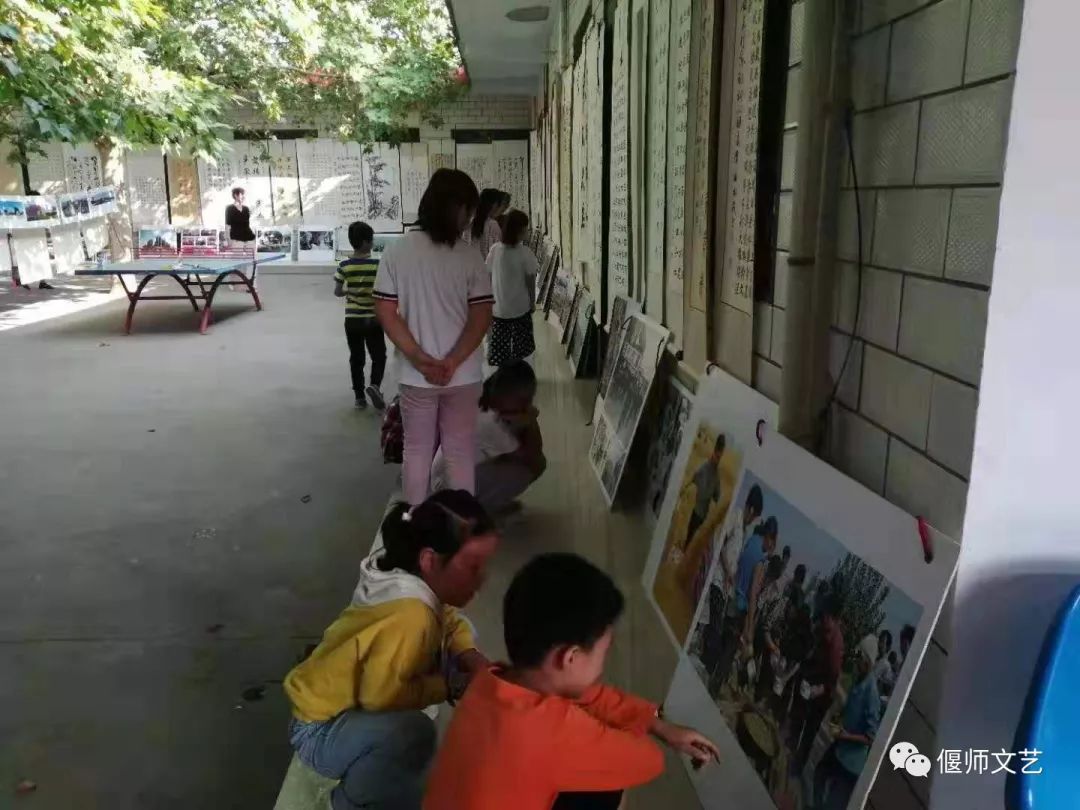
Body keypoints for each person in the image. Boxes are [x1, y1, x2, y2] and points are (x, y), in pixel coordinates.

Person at [424, 553, 720, 810]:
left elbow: (586, 695)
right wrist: (607, 730)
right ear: (571, 657)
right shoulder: (553, 732)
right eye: (603, 652)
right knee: (610, 788)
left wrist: (656, 723)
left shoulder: (491, 681)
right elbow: (648, 760)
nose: (602, 665)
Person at [284, 490, 498, 810]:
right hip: (319, 731)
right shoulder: (410, 617)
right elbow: (381, 697)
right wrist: (449, 686)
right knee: (411, 732)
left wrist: (469, 654)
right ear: (429, 560)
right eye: (472, 566)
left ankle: (383, 779)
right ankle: (348, 803)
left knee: (458, 638)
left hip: (339, 710)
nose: (481, 580)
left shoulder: (410, 578)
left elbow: (450, 618)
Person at [374, 169, 494, 505]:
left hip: (416, 377)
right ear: (455, 207)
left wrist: (419, 358)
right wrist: (453, 361)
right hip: (463, 375)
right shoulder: (469, 255)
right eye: (468, 210)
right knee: (459, 451)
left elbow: (385, 310)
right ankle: (461, 525)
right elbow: (481, 314)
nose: (470, 219)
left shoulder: (397, 251)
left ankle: (415, 521)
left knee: (417, 450)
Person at [432, 361, 545, 513]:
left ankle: (482, 502)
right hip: (446, 491)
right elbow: (534, 459)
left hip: (442, 479)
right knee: (527, 470)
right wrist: (531, 420)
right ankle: (476, 510)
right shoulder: (492, 421)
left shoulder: (485, 398)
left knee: (508, 459)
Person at [812, 634, 881, 810]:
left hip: (851, 763)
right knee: (819, 774)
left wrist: (847, 736)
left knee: (835, 803)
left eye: (860, 657)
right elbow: (848, 705)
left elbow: (871, 737)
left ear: (868, 662)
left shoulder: (872, 693)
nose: (856, 661)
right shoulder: (858, 680)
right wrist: (836, 719)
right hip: (840, 747)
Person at [711, 516, 779, 695]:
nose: (772, 546)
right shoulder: (761, 562)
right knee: (729, 650)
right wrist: (749, 628)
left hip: (731, 598)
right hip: (741, 607)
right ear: (770, 538)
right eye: (773, 542)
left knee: (723, 640)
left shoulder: (751, 541)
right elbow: (753, 595)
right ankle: (714, 687)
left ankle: (710, 674)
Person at [789, 593, 846, 774]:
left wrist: (820, 689)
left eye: (828, 617)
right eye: (824, 615)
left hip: (823, 695)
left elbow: (832, 680)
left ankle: (797, 767)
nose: (824, 619)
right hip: (812, 681)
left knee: (810, 731)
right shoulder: (821, 629)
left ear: (835, 619)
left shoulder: (836, 645)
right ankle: (788, 749)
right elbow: (812, 652)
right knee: (798, 716)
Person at [334, 221, 386, 410]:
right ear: (365, 242)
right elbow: (384, 290)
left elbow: (337, 292)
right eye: (371, 239)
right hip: (373, 318)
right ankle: (375, 386)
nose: (373, 242)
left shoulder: (344, 265)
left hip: (352, 320)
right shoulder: (378, 265)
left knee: (357, 358)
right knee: (379, 356)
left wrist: (350, 291)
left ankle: (359, 397)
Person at [487, 209, 539, 366]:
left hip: (499, 310)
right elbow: (530, 281)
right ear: (519, 231)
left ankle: (504, 374)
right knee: (521, 351)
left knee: (500, 351)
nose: (527, 232)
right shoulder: (525, 253)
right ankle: (520, 373)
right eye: (525, 229)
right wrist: (532, 302)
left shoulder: (495, 250)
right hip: (519, 309)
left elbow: (488, 276)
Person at [676, 435, 728, 560]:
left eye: (719, 456)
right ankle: (682, 552)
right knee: (689, 534)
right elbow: (693, 478)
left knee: (691, 535)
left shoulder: (715, 476)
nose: (718, 458)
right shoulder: (705, 467)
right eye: (717, 455)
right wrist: (684, 490)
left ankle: (683, 553)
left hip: (702, 513)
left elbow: (717, 497)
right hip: (696, 509)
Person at [466, 187, 504, 262]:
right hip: (486, 267)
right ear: (494, 205)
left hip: (471, 265)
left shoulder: (470, 223)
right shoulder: (492, 224)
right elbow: (498, 253)